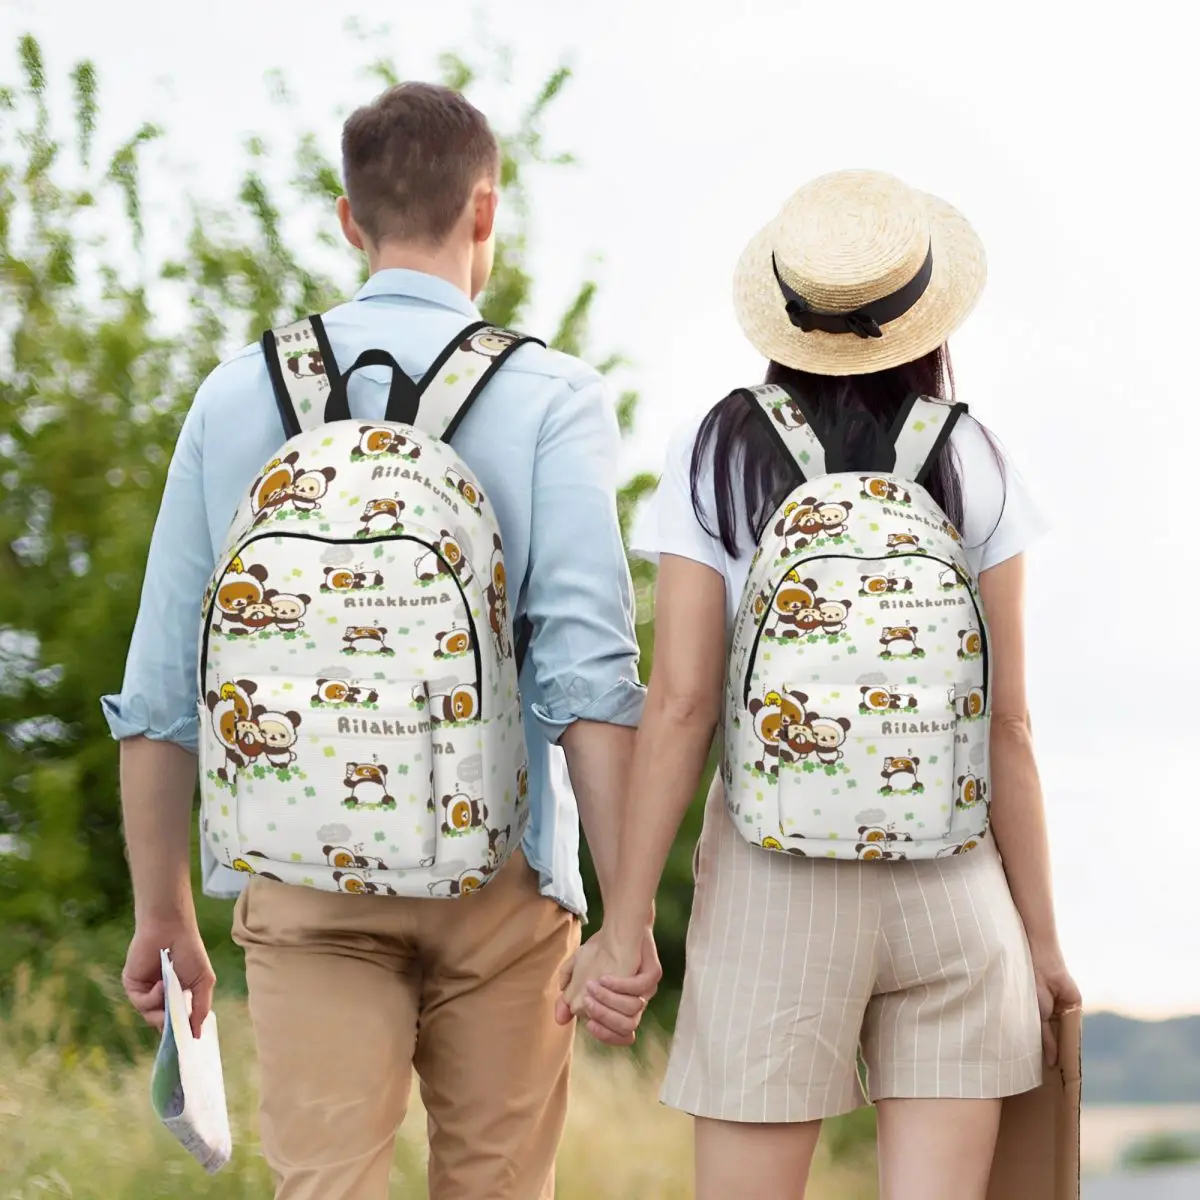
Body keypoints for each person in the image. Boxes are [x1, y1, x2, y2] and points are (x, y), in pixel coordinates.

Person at [103, 81, 661, 1200]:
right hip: (502, 877)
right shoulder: (551, 395)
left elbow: (164, 685)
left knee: (326, 1186)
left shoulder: (235, 395)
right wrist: (627, 915)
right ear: (485, 212)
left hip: (304, 879)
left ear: (349, 220)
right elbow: (588, 680)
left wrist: (163, 912)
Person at [559, 169, 1081, 1200]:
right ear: (925, 314)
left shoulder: (717, 450)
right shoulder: (974, 455)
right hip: (955, 887)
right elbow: (1010, 724)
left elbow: (681, 705)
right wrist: (1043, 943)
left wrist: (624, 927)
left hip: (774, 885)